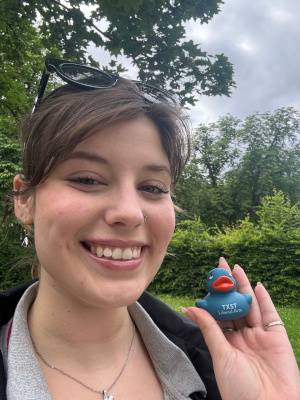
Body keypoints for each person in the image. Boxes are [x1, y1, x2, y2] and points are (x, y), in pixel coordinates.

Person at [0, 57, 299, 400]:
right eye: (87, 179)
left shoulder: (215, 366)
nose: (130, 213)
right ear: (24, 199)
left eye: (153, 187)